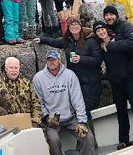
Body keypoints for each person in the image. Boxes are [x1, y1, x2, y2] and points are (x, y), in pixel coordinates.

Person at [33, 16, 103, 147]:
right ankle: (82, 143)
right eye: (71, 26)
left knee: (85, 111)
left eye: (76, 25)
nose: (74, 27)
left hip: (90, 83)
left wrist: (81, 59)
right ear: (69, 29)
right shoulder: (68, 41)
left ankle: (91, 143)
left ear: (81, 26)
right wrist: (42, 39)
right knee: (77, 109)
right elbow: (56, 42)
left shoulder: (91, 41)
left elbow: (98, 60)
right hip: (74, 81)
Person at [33, 50, 95, 155]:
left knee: (88, 137)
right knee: (53, 140)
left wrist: (82, 122)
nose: (51, 62)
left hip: (71, 118)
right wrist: (47, 118)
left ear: (59, 60)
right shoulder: (38, 78)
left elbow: (78, 100)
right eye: (49, 60)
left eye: (54, 59)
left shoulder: (70, 75)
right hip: (52, 121)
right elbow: (39, 103)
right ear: (46, 62)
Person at [94, 5, 133, 150]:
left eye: (111, 14)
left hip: (129, 77)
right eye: (106, 15)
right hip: (115, 81)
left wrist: (111, 46)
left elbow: (131, 44)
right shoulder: (101, 38)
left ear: (116, 15)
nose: (109, 17)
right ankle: (124, 141)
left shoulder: (123, 28)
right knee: (121, 112)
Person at [0, 56, 42, 127]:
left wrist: (36, 121)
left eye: (16, 68)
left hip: (26, 122)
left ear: (19, 68)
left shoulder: (26, 83)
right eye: (11, 68)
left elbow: (36, 103)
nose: (14, 70)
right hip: (7, 124)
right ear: (6, 68)